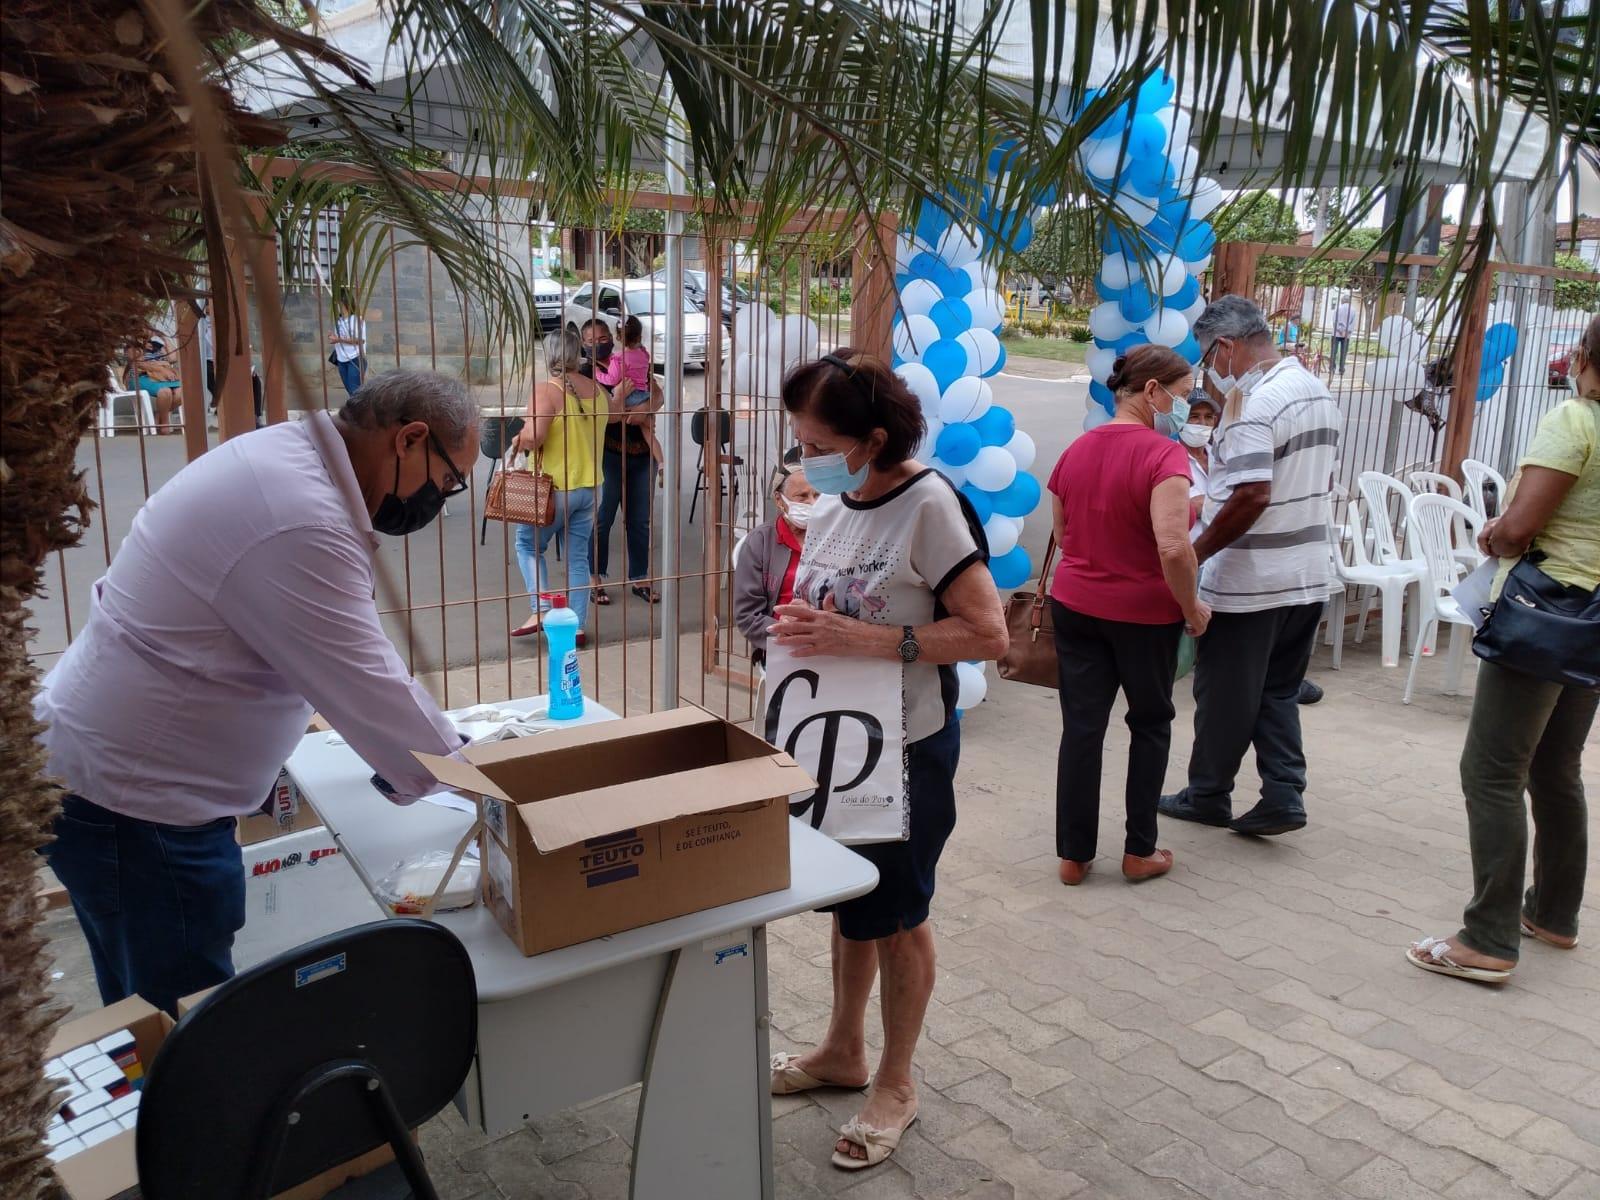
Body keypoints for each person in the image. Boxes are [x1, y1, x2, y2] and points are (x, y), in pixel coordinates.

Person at [37, 370, 478, 1014]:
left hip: (114, 783)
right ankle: (191, 1116)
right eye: (447, 481)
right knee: (185, 1025)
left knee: (140, 1007)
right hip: (139, 808)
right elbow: (366, 679)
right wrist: (476, 782)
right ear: (410, 439)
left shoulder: (290, 461)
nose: (441, 498)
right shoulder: (299, 517)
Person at [765, 351, 1007, 1171]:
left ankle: (896, 1083)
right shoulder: (838, 500)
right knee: (852, 903)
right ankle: (842, 1051)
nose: (806, 457)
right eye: (799, 439)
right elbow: (831, 606)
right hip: (833, 747)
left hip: (904, 751)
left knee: (899, 918)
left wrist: (864, 639)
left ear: (873, 438)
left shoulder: (931, 504)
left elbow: (987, 634)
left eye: (820, 441)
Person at [1407, 313, 1600, 985]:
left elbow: (1520, 528)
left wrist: (1493, 534)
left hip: (1545, 615)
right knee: (1556, 767)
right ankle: (1551, 913)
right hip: (1593, 616)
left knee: (1491, 771)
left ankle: (1487, 937)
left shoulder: (1576, 421)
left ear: (1583, 353)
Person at [1159, 295, 1340, 837]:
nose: (1208, 371)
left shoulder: (1251, 405)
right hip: (1307, 571)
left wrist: (1199, 552)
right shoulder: (1314, 389)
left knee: (1223, 693)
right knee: (1276, 689)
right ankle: (1284, 792)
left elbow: (1251, 494)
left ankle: (1208, 793)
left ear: (1228, 347)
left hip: (1253, 580)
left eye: (1208, 357)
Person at [1048, 346, 1211, 887]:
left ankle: (1074, 855)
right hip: (1143, 615)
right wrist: (1191, 606)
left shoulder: (1076, 450)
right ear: (1151, 391)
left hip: (1075, 605)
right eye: (1183, 396)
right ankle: (1139, 849)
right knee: (1150, 722)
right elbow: (1172, 545)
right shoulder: (1165, 456)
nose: (1184, 407)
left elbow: (1063, 533)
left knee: (1082, 728)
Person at [510, 328, 613, 642]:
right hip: (591, 488)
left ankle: (541, 606)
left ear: (550, 356)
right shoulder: (598, 391)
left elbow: (535, 436)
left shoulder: (546, 390)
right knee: (577, 557)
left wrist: (517, 439)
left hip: (554, 489)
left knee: (528, 545)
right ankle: (576, 625)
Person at [587, 317, 664, 605]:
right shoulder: (588, 372)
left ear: (614, 336)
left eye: (602, 337)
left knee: (640, 520)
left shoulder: (633, 358)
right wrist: (620, 401)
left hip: (641, 454)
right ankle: (595, 578)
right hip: (608, 453)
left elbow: (657, 394)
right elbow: (600, 417)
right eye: (591, 341)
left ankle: (640, 578)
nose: (599, 344)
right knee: (602, 517)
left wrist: (644, 409)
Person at [733, 462, 819, 664]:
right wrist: (784, 627)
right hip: (780, 643)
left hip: (831, 639)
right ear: (780, 501)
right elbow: (747, 616)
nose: (812, 503)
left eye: (817, 495)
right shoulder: (760, 542)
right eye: (802, 496)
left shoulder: (834, 537)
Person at [1179, 390, 1221, 525]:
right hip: (1190, 543)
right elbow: (1189, 507)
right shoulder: (1169, 458)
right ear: (1179, 419)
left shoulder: (1222, 455)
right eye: (1194, 416)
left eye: (1208, 416)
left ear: (1214, 421)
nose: (1202, 423)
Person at [329, 298, 368, 396]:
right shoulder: (339, 321)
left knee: (355, 390)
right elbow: (339, 338)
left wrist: (339, 339)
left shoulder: (356, 320)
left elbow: (360, 340)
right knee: (350, 390)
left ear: (345, 304)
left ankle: (360, 409)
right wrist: (333, 338)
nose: (336, 307)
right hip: (341, 359)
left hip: (355, 358)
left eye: (338, 304)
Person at [1329, 294, 1354, 376]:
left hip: (1336, 333)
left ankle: (1332, 368)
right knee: (1343, 352)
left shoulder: (1338, 309)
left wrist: (1340, 330)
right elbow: (1352, 323)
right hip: (1347, 334)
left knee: (1334, 351)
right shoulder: (1353, 310)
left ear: (1342, 300)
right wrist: (1346, 331)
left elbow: (1334, 321)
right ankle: (1341, 369)